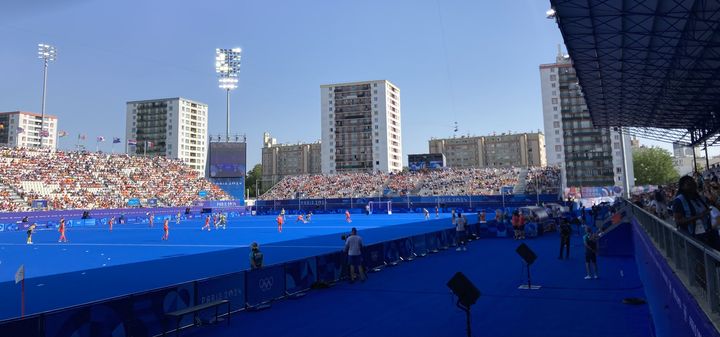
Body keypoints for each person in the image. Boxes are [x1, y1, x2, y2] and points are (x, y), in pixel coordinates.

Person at [673, 175, 720, 246]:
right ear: (682, 187)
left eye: (694, 183)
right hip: (693, 238)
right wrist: (698, 216)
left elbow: (714, 202)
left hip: (708, 233)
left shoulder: (699, 197)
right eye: (689, 184)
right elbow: (678, 221)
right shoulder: (679, 201)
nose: (693, 186)